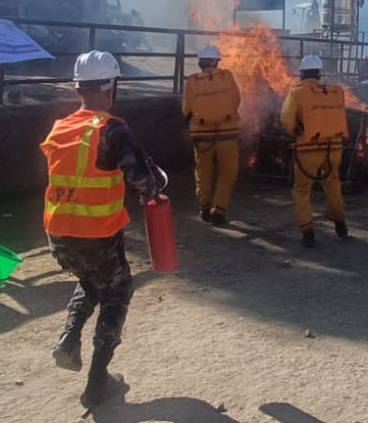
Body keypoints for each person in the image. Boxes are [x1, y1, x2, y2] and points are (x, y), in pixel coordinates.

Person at [38, 50, 162, 409]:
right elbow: (143, 179)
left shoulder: (59, 127)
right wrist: (153, 187)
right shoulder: (112, 129)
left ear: (79, 89)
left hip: (58, 234)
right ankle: (97, 383)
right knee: (117, 290)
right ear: (112, 88)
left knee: (91, 280)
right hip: (96, 233)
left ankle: (68, 338)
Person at [280, 55, 351, 248]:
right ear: (319, 74)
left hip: (308, 148)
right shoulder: (333, 92)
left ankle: (308, 232)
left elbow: (287, 119)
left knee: (302, 190)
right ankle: (341, 225)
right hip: (333, 149)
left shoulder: (297, 92)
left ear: (302, 73)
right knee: (333, 184)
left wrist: (294, 132)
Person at [182, 44, 241, 225]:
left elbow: (186, 110)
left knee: (203, 171)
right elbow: (237, 99)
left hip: (201, 135)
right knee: (228, 172)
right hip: (227, 133)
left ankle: (205, 207)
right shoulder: (227, 76)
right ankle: (219, 210)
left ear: (200, 62)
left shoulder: (191, 82)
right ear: (216, 61)